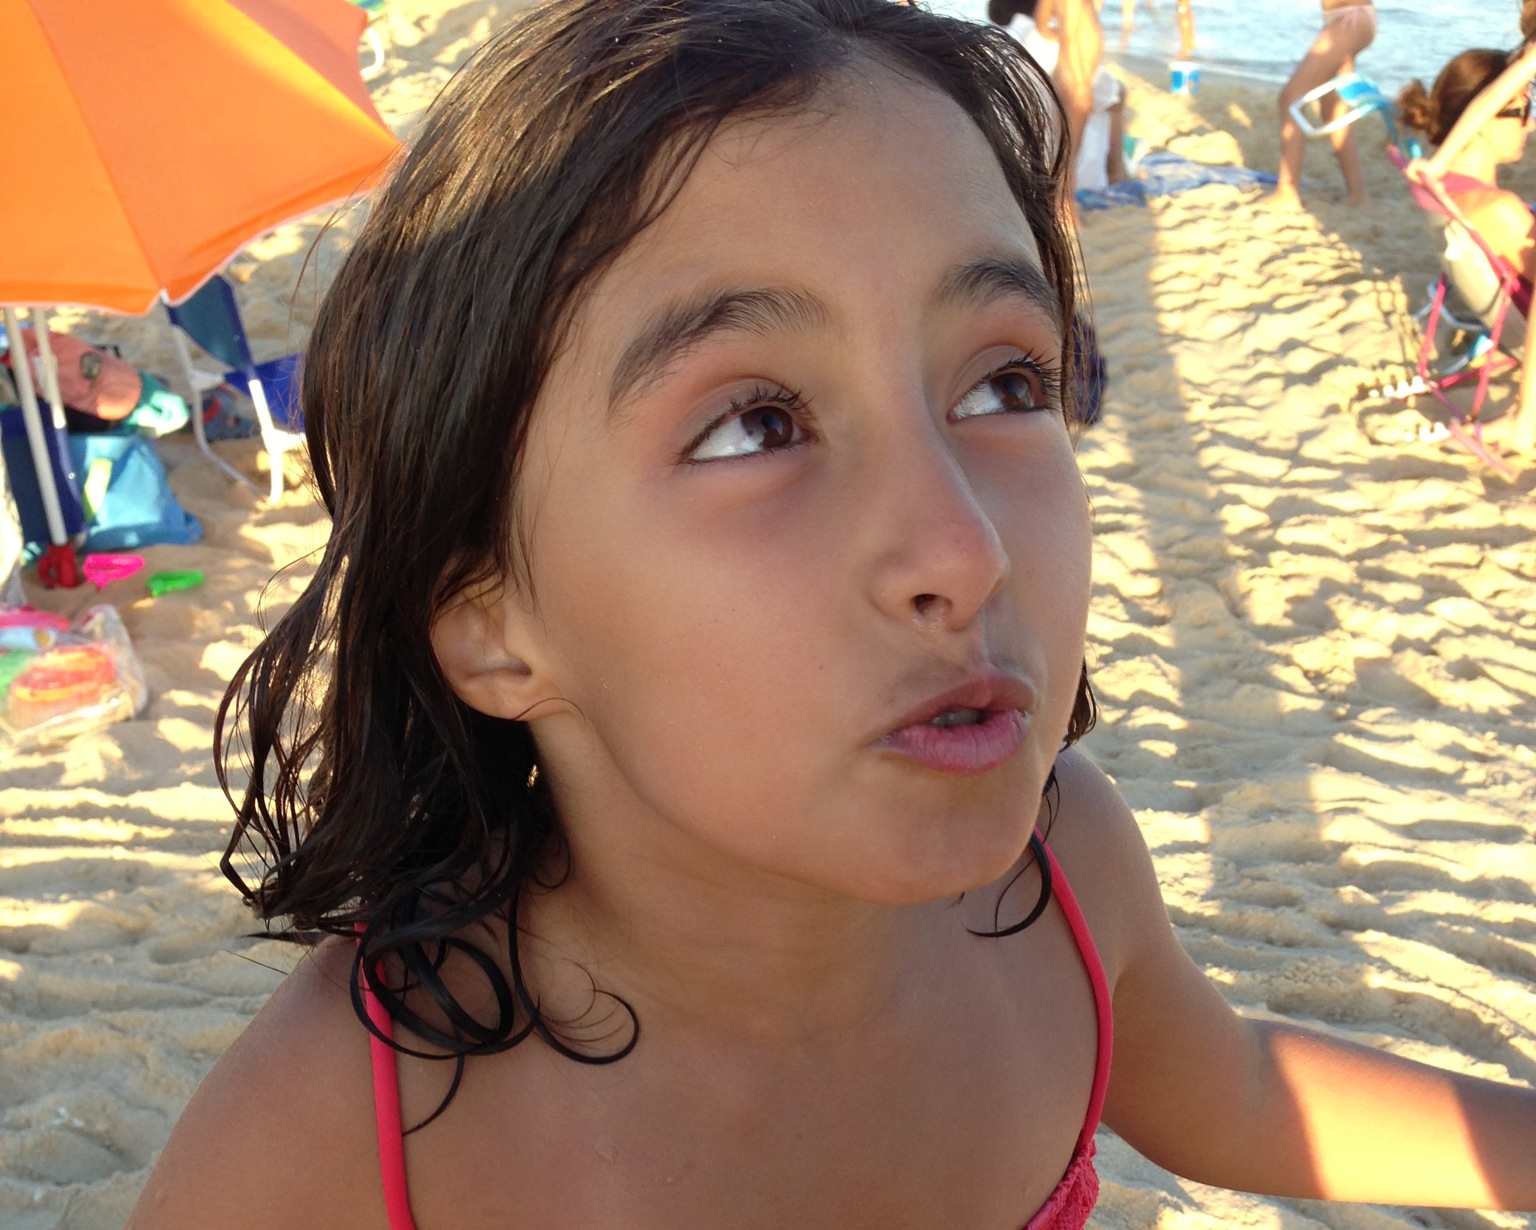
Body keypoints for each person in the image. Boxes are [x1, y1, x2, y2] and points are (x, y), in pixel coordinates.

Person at [127, 3, 1536, 1228]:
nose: (964, 548)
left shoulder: (1068, 875)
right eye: (755, 424)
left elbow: (1227, 1090)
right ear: (490, 619)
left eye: (1003, 384)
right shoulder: (341, 1129)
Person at [1403, 41, 1536, 461]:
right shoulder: (1499, 211)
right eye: (1524, 111)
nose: (1531, 124)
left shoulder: (1453, 193)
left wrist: (1439, 162)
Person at [989, 0, 1128, 193]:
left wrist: (1057, 35)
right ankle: (1110, 174)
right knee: (1104, 97)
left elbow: (1042, 22)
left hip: (1069, 70)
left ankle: (1112, 171)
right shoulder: (1073, 8)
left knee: (1110, 92)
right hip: (1073, 81)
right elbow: (1076, 92)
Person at [1269, 1, 1378, 208]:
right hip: (1344, 19)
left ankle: (1287, 193)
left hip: (1351, 18)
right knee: (1332, 111)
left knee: (1291, 99)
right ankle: (1358, 194)